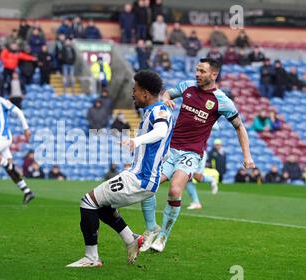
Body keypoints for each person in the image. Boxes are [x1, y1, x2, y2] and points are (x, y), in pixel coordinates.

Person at [139, 58, 255, 253]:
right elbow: (167, 93)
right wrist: (166, 99)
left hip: (191, 153)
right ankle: (151, 228)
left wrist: (247, 156)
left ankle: (163, 237)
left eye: (202, 71)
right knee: (146, 186)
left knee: (175, 191)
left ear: (213, 75)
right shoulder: (187, 87)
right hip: (170, 149)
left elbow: (239, 126)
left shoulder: (222, 101)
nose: (197, 74)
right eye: (197, 70)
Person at [66, 70, 173, 267]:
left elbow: (161, 131)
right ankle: (132, 240)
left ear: (145, 93)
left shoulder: (160, 111)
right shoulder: (152, 111)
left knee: (87, 202)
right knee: (103, 206)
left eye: (135, 89)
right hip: (141, 176)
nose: (132, 94)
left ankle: (91, 258)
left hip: (140, 178)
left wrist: (137, 140)